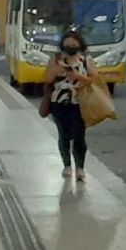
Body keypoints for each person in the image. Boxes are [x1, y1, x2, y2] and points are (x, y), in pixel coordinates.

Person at [43, 30, 94, 181]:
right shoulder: (55, 60)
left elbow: (95, 79)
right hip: (59, 103)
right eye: (67, 44)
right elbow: (47, 79)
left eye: (73, 44)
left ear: (80, 44)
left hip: (81, 104)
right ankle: (66, 165)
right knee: (63, 134)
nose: (70, 47)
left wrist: (78, 76)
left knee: (79, 135)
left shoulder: (86, 60)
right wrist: (56, 71)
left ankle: (80, 168)